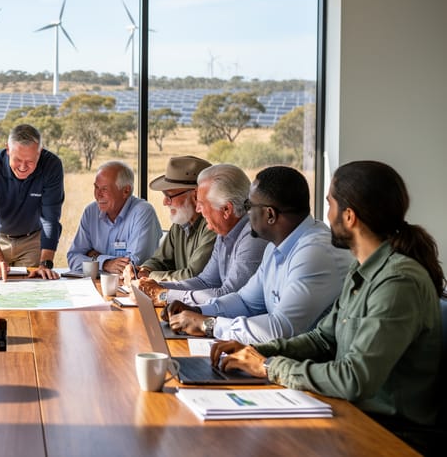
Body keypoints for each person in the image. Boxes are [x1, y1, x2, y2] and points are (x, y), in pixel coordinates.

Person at [212, 161, 443, 455]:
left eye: (329, 204)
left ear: (349, 216)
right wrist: (262, 352)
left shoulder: (399, 282)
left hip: (390, 435)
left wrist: (268, 367)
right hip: (354, 415)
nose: (326, 214)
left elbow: (353, 379)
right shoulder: (363, 271)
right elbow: (322, 338)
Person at [163, 166, 351, 344]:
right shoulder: (274, 247)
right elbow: (245, 301)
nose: (246, 212)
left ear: (270, 214)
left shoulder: (314, 252)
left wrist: (208, 324)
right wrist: (198, 310)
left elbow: (280, 329)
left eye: (249, 205)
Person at [131, 164, 267, 306]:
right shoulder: (224, 231)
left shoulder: (253, 236)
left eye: (201, 203)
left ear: (226, 209)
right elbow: (205, 281)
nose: (198, 209)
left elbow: (228, 295)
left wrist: (164, 295)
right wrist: (154, 287)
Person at [0, 123, 64, 280]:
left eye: (30, 161)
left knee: (30, 294)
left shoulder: (52, 166)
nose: (23, 167)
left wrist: (45, 263)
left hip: (32, 242)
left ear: (40, 153)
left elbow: (50, 219)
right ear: (8, 149)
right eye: (17, 159)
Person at [122, 155, 216, 285]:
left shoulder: (213, 226)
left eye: (169, 195)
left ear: (195, 195)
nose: (165, 202)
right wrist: (142, 270)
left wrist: (149, 275)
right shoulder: (180, 225)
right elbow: (159, 260)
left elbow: (193, 276)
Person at [67, 161, 162, 275]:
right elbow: (73, 257)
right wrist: (106, 263)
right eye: (96, 187)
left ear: (126, 191)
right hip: (95, 286)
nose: (98, 194)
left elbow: (132, 266)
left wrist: (95, 256)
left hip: (131, 288)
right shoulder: (91, 211)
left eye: (104, 189)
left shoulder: (143, 212)